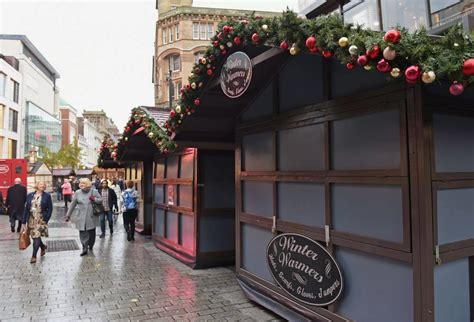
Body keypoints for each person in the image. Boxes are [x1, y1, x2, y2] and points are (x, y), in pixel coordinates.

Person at [65, 178, 102, 256]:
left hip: (91, 215)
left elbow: (100, 200)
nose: (81, 184)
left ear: (88, 184)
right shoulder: (77, 193)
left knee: (91, 232)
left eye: (83, 183)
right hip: (81, 216)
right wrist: (68, 215)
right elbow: (72, 204)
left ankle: (91, 245)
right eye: (80, 183)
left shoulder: (93, 191)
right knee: (82, 232)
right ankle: (84, 248)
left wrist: (94, 198)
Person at [22, 181, 53, 264]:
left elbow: (50, 208)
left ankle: (33, 256)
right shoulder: (29, 195)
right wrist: (23, 222)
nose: (42, 186)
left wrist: (46, 218)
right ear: (37, 186)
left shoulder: (47, 196)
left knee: (36, 237)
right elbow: (26, 209)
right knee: (35, 237)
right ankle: (43, 247)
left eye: (43, 185)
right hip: (31, 220)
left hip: (41, 220)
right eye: (40, 184)